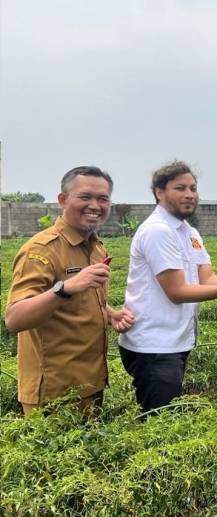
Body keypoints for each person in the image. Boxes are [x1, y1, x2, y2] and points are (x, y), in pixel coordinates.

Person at [118, 161, 217, 413]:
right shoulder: (158, 231)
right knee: (158, 419)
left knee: (166, 414)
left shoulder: (189, 233)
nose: (189, 194)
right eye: (180, 188)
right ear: (159, 192)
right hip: (154, 345)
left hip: (175, 342)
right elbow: (177, 292)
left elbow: (205, 278)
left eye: (193, 188)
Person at [5, 166, 135, 415]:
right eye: (85, 197)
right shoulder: (41, 251)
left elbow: (82, 299)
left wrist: (110, 314)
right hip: (53, 394)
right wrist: (64, 288)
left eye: (103, 198)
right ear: (63, 200)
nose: (95, 205)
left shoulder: (96, 248)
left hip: (92, 385)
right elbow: (14, 318)